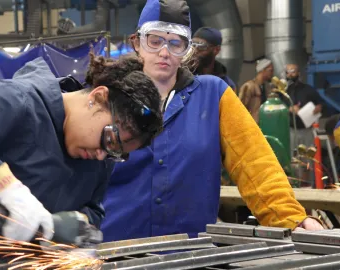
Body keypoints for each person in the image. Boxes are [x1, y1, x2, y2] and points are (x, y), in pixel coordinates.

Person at [0, 54, 163, 268]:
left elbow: (93, 208)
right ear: (98, 97)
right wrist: (8, 190)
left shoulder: (100, 153)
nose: (104, 155)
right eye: (110, 141)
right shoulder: (17, 101)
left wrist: (73, 224)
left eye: (117, 153)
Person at [101, 0, 323, 243]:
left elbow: (255, 163)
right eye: (154, 41)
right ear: (137, 42)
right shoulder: (107, 96)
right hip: (115, 253)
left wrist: (293, 219)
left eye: (176, 43)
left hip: (191, 254)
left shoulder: (214, 96)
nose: (164, 52)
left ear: (187, 50)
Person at [285, 64, 324, 148]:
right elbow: (278, 108)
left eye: (293, 72)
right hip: (291, 131)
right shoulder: (284, 92)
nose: (290, 75)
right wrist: (289, 109)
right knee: (294, 158)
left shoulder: (308, 89)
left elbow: (321, 103)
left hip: (307, 130)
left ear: (298, 73)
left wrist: (319, 107)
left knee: (308, 157)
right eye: (287, 72)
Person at [192, 27, 237, 91]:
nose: (195, 51)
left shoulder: (226, 85)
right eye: (193, 45)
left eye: (201, 46)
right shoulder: (182, 77)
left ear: (216, 50)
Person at [239, 58, 274, 123]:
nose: (272, 73)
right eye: (270, 70)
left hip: (264, 125)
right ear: (263, 70)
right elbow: (240, 108)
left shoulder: (267, 88)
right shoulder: (249, 86)